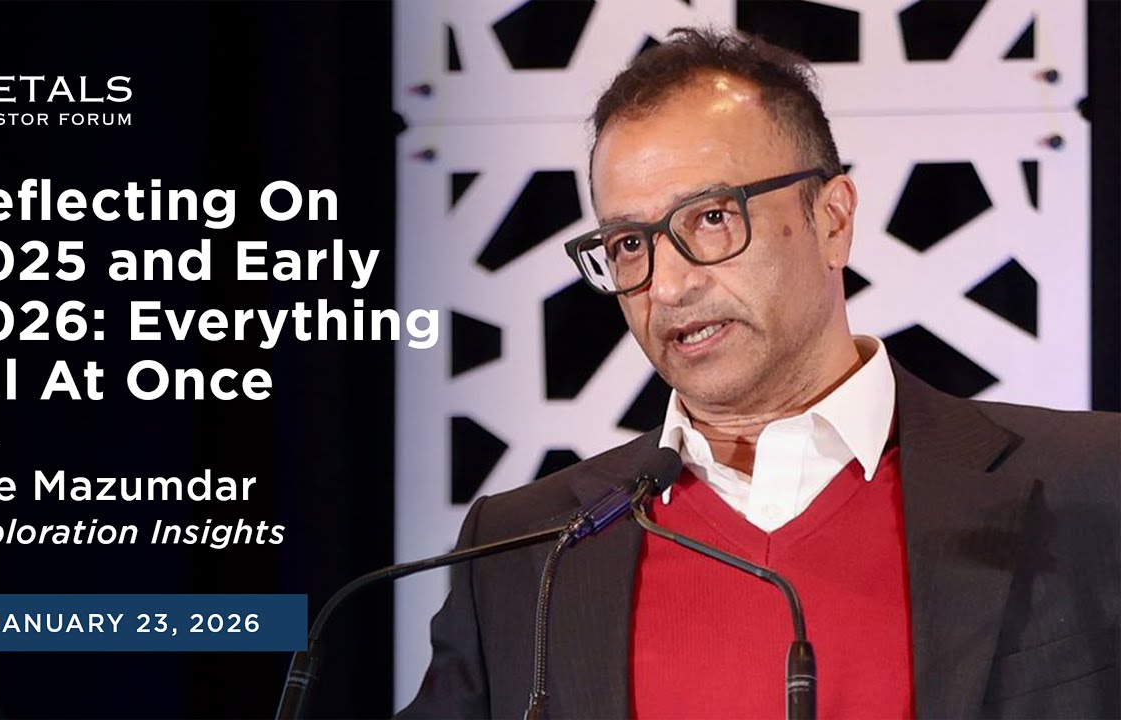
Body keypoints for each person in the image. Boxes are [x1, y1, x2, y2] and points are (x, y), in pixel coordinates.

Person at [399, 27, 1119, 719]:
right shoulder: (525, 550)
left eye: (711, 218)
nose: (667, 287)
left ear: (833, 220)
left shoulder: (1095, 484)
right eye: (628, 244)